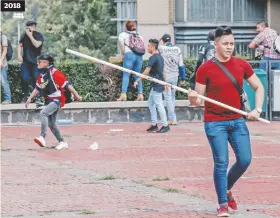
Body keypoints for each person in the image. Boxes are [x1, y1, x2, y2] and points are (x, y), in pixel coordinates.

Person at [188, 26, 264, 217]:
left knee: (245, 159)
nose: (230, 47)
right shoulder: (205, 69)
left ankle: (226, 188)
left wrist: (258, 109)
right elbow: (198, 101)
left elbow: (259, 87)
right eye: (225, 44)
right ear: (216, 45)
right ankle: (222, 203)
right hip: (214, 122)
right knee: (221, 162)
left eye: (232, 43)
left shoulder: (241, 65)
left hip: (237, 120)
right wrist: (192, 98)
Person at [25, 54, 82, 150]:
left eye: (40, 61)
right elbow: (37, 88)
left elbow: (67, 85)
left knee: (43, 113)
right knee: (51, 124)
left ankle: (42, 137)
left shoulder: (54, 73)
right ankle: (63, 142)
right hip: (48, 101)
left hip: (56, 100)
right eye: (38, 61)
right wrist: (30, 98)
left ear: (47, 63)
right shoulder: (41, 76)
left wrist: (77, 96)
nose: (38, 63)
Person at [134, 39, 170, 133]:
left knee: (159, 105)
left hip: (157, 85)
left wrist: (138, 80)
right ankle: (154, 125)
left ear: (153, 47)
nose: (147, 47)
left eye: (149, 46)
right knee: (150, 103)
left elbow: (146, 71)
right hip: (157, 84)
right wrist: (165, 82)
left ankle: (165, 125)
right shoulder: (160, 57)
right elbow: (163, 71)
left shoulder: (153, 57)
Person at [158, 34, 186, 125]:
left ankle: (172, 118)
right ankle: (172, 117)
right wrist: (183, 77)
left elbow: (153, 49)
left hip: (166, 76)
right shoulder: (177, 49)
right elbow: (181, 65)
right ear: (170, 40)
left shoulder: (161, 48)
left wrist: (159, 41)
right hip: (175, 76)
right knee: (172, 97)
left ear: (163, 40)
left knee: (168, 98)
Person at [17, 21, 44, 103]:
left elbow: (37, 45)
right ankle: (25, 96)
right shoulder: (24, 35)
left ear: (34, 27)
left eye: (30, 27)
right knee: (24, 79)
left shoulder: (39, 35)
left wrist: (30, 36)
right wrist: (19, 55)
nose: (28, 29)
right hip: (25, 62)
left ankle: (37, 98)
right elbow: (19, 45)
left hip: (36, 62)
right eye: (27, 27)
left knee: (36, 80)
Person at [118, 21, 145, 101]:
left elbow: (122, 47)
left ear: (126, 27)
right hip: (139, 56)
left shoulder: (122, 35)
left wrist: (123, 55)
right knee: (137, 75)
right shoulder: (139, 36)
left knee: (126, 74)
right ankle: (140, 95)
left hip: (129, 55)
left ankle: (123, 95)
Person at [0, 32, 12, 104]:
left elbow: (5, 51)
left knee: (4, 82)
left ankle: (8, 99)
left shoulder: (2, 36)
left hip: (2, 63)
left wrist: (1, 61)